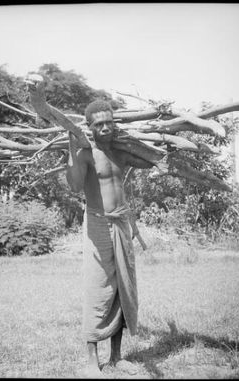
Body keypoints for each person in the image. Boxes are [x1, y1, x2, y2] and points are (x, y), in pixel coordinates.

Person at [66, 100, 153, 377]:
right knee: (97, 288)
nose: (105, 128)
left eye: (109, 122)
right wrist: (71, 146)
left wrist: (156, 152)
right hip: (98, 226)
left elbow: (149, 160)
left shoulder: (120, 151)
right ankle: (92, 361)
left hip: (122, 224)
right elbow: (75, 185)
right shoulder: (86, 153)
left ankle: (116, 357)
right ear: (89, 127)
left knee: (121, 289)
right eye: (98, 124)